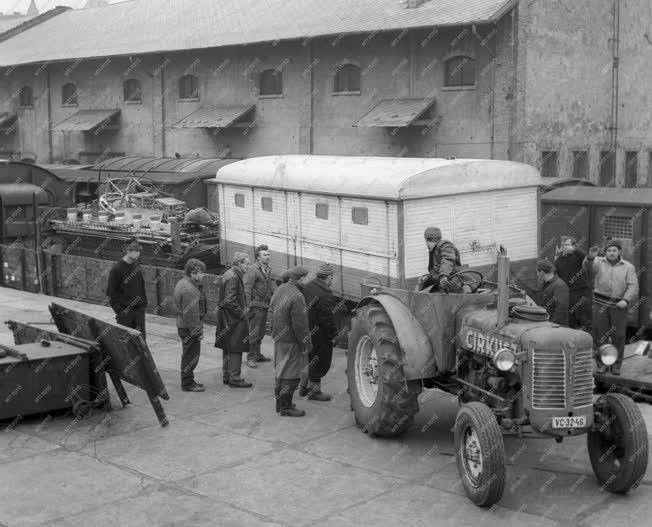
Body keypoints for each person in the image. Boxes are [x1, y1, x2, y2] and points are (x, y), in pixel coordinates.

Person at [583, 240, 639, 375]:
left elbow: (633, 285)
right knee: (600, 336)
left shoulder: (628, 267)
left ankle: (616, 365)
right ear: (605, 252)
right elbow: (587, 268)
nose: (611, 253)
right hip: (600, 305)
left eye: (614, 250)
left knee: (618, 336)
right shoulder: (598, 262)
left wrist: (626, 300)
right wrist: (590, 257)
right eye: (609, 250)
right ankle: (601, 364)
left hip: (619, 306)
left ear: (619, 252)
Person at [269, 266, 312, 417]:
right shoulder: (297, 296)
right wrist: (306, 344)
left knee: (280, 372)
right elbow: (300, 325)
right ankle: (286, 407)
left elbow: (272, 308)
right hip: (291, 340)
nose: (308, 280)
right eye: (306, 277)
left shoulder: (280, 289)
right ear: (300, 279)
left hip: (279, 338)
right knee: (291, 374)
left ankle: (279, 404)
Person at [299, 263, 343, 401]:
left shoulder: (308, 287)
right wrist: (334, 336)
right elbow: (327, 319)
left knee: (310, 360)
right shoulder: (325, 294)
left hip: (307, 330)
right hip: (320, 336)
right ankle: (314, 392)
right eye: (332, 277)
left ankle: (303, 386)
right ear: (329, 277)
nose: (332, 280)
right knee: (319, 363)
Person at [215, 252, 253, 388]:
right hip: (233, 319)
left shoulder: (229, 273)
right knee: (236, 348)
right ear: (239, 264)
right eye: (247, 264)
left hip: (226, 318)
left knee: (228, 347)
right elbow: (230, 300)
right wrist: (242, 313)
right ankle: (235, 378)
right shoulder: (234, 277)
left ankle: (227, 375)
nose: (249, 266)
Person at [174, 259, 207, 392]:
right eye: (200, 272)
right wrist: (198, 332)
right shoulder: (189, 290)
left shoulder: (183, 283)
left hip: (183, 326)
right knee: (191, 356)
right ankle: (187, 383)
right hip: (189, 328)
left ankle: (188, 380)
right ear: (193, 273)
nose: (203, 275)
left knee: (188, 354)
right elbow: (192, 315)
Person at [106, 239, 148, 340]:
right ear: (127, 251)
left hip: (139, 312)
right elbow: (111, 293)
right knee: (127, 345)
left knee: (141, 344)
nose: (139, 253)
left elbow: (141, 286)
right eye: (136, 250)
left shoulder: (136, 266)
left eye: (139, 250)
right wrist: (120, 312)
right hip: (125, 314)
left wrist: (143, 305)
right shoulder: (116, 269)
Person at [244, 244, 274, 368]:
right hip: (256, 306)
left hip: (264, 306)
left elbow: (269, 286)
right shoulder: (253, 269)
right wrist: (248, 305)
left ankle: (257, 354)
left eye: (268, 254)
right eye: (264, 255)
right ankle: (250, 357)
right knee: (253, 333)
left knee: (261, 332)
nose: (267, 256)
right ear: (258, 257)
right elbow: (247, 288)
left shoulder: (268, 268)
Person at [554, 237, 592, 331]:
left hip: (581, 291)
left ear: (573, 246)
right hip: (568, 292)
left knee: (585, 318)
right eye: (563, 245)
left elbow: (587, 258)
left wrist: (574, 249)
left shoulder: (578, 255)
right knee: (571, 319)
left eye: (567, 244)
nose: (565, 247)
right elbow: (556, 276)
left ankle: (590, 339)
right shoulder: (558, 260)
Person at [417, 226, 461, 292]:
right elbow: (437, 269)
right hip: (444, 282)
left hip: (453, 283)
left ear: (426, 239)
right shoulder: (435, 249)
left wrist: (443, 276)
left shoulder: (445, 245)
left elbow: (447, 259)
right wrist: (428, 277)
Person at [536, 259, 570, 326]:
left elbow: (561, 311)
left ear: (542, 272)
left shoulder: (560, 286)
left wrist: (552, 326)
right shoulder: (546, 285)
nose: (537, 274)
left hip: (557, 329)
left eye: (537, 272)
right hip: (547, 325)